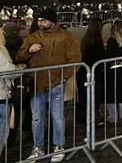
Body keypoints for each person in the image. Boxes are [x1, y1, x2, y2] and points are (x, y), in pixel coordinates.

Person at [16, 9, 81, 162]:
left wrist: (63, 77)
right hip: (37, 83)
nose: (40, 23)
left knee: (57, 117)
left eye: (43, 20)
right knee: (36, 118)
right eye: (38, 20)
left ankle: (59, 146)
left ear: (52, 21)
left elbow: (75, 58)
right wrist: (29, 51)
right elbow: (19, 56)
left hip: (56, 83)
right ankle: (37, 148)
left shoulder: (66, 36)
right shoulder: (33, 37)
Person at [76, 18, 106, 126]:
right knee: (94, 95)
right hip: (93, 71)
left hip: (83, 71)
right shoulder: (97, 40)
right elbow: (101, 56)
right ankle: (95, 119)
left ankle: (82, 117)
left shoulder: (86, 39)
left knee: (84, 95)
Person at [104, 19, 122, 123]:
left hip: (112, 69)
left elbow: (108, 55)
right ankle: (121, 113)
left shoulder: (111, 40)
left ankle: (113, 116)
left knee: (112, 91)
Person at [0, 29, 24, 155]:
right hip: (1, 95)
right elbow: (9, 71)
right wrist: (21, 68)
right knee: (2, 132)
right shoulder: (0, 51)